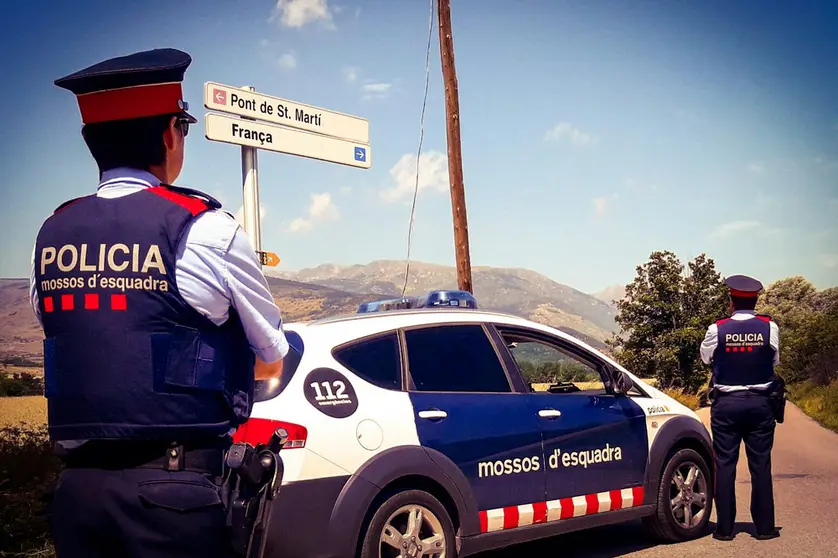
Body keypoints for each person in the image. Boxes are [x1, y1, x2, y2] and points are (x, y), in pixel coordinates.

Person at [30, 47, 289, 557]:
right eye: (183, 128)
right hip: (174, 497)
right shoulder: (204, 226)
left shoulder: (51, 232)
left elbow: (73, 332)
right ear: (171, 133)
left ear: (91, 141)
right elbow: (270, 354)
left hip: (78, 498)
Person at [700, 274, 782, 542]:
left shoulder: (717, 329)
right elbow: (775, 361)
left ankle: (724, 529)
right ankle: (766, 528)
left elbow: (705, 358)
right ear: (755, 300)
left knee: (725, 465)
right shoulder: (770, 328)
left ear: (731, 300)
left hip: (726, 405)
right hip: (761, 404)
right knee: (761, 465)